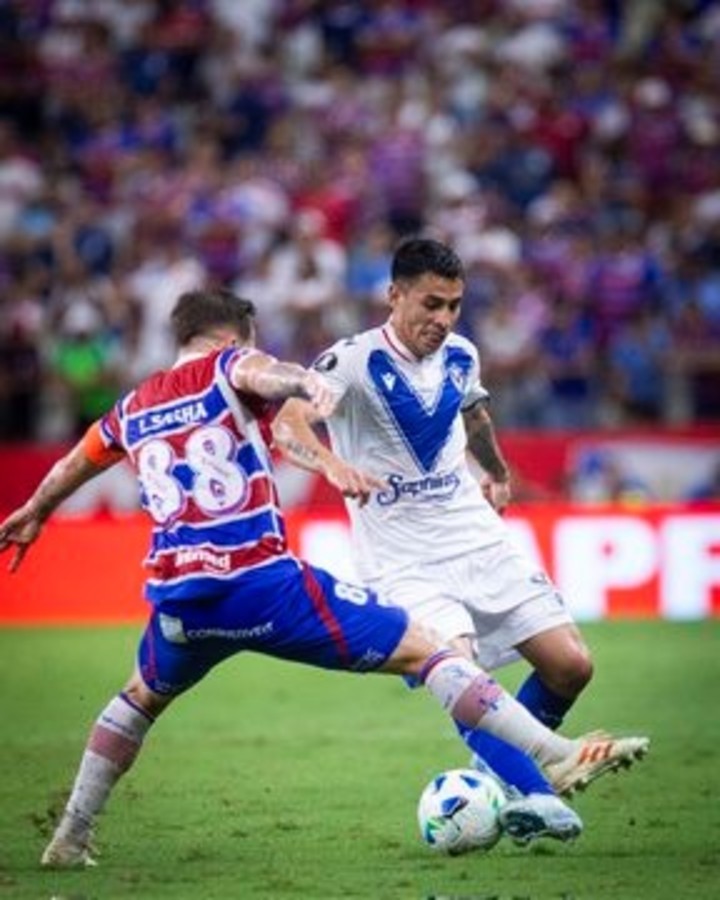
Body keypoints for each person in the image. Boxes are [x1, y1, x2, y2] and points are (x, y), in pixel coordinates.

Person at [0, 288, 648, 869]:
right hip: (262, 581)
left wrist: (35, 510)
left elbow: (75, 459)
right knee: (430, 649)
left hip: (179, 601)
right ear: (234, 336)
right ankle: (554, 754)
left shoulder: (132, 407)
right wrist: (303, 382)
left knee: (138, 698)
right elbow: (263, 373)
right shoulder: (230, 364)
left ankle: (71, 836)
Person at [272, 238, 648, 820]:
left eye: (453, 305)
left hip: (477, 537)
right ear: (394, 295)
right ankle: (541, 795)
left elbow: (474, 415)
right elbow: (289, 421)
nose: (442, 319)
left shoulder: (462, 355)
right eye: (430, 304)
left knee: (572, 665)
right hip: (405, 560)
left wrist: (497, 473)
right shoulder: (349, 361)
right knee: (461, 676)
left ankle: (495, 771)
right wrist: (332, 463)